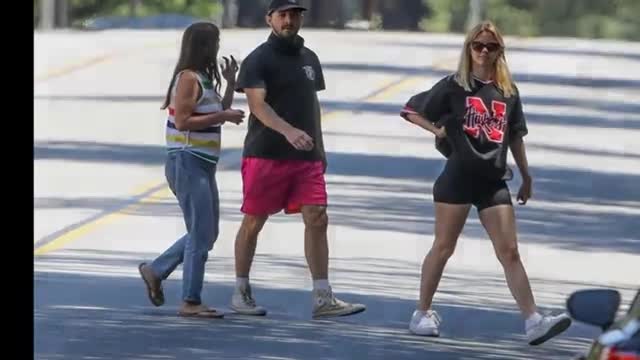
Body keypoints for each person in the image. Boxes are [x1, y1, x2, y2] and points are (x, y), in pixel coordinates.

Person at [399, 20, 572, 345]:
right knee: (444, 247)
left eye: (490, 47)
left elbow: (516, 137)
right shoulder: (454, 85)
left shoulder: (508, 92)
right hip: (458, 178)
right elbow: (410, 110)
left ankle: (533, 320)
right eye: (478, 45)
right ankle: (421, 313)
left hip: (493, 180)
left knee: (509, 251)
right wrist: (437, 131)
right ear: (469, 48)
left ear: (499, 52)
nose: (483, 51)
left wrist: (526, 175)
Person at [229, 0, 366, 319]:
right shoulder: (257, 60)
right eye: (283, 15)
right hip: (266, 154)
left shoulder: (309, 58)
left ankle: (323, 296)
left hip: (306, 156)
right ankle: (241, 291)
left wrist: (320, 148)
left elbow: (310, 106)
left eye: (295, 14)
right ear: (270, 19)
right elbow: (258, 106)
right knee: (254, 221)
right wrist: (288, 131)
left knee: (318, 217)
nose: (289, 20)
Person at [137, 22, 245, 318]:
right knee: (200, 233)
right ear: (204, 46)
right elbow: (183, 122)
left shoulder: (203, 79)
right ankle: (190, 301)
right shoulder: (187, 79)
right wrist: (224, 114)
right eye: (215, 42)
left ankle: (156, 270)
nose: (218, 48)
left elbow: (213, 115)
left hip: (203, 165)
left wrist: (231, 83)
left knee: (206, 233)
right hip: (187, 161)